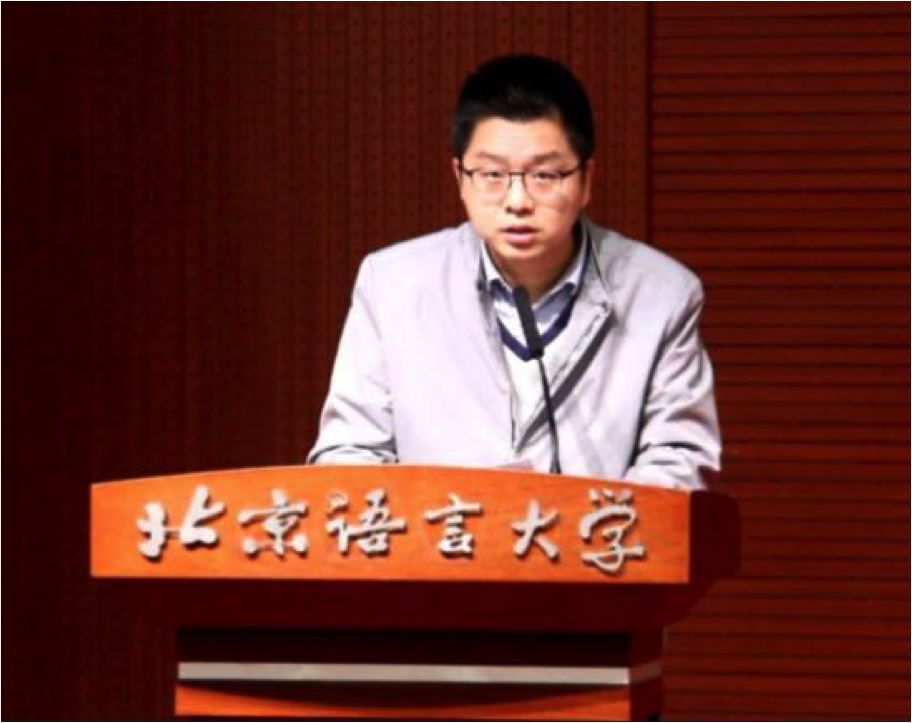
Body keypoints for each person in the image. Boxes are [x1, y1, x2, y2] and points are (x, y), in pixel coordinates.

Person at [307, 55, 720, 490]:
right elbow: (350, 454)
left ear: (586, 179)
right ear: (460, 177)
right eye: (492, 174)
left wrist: (580, 522)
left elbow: (679, 460)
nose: (517, 201)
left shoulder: (661, 294)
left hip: (597, 534)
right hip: (438, 532)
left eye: (545, 175)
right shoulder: (392, 285)